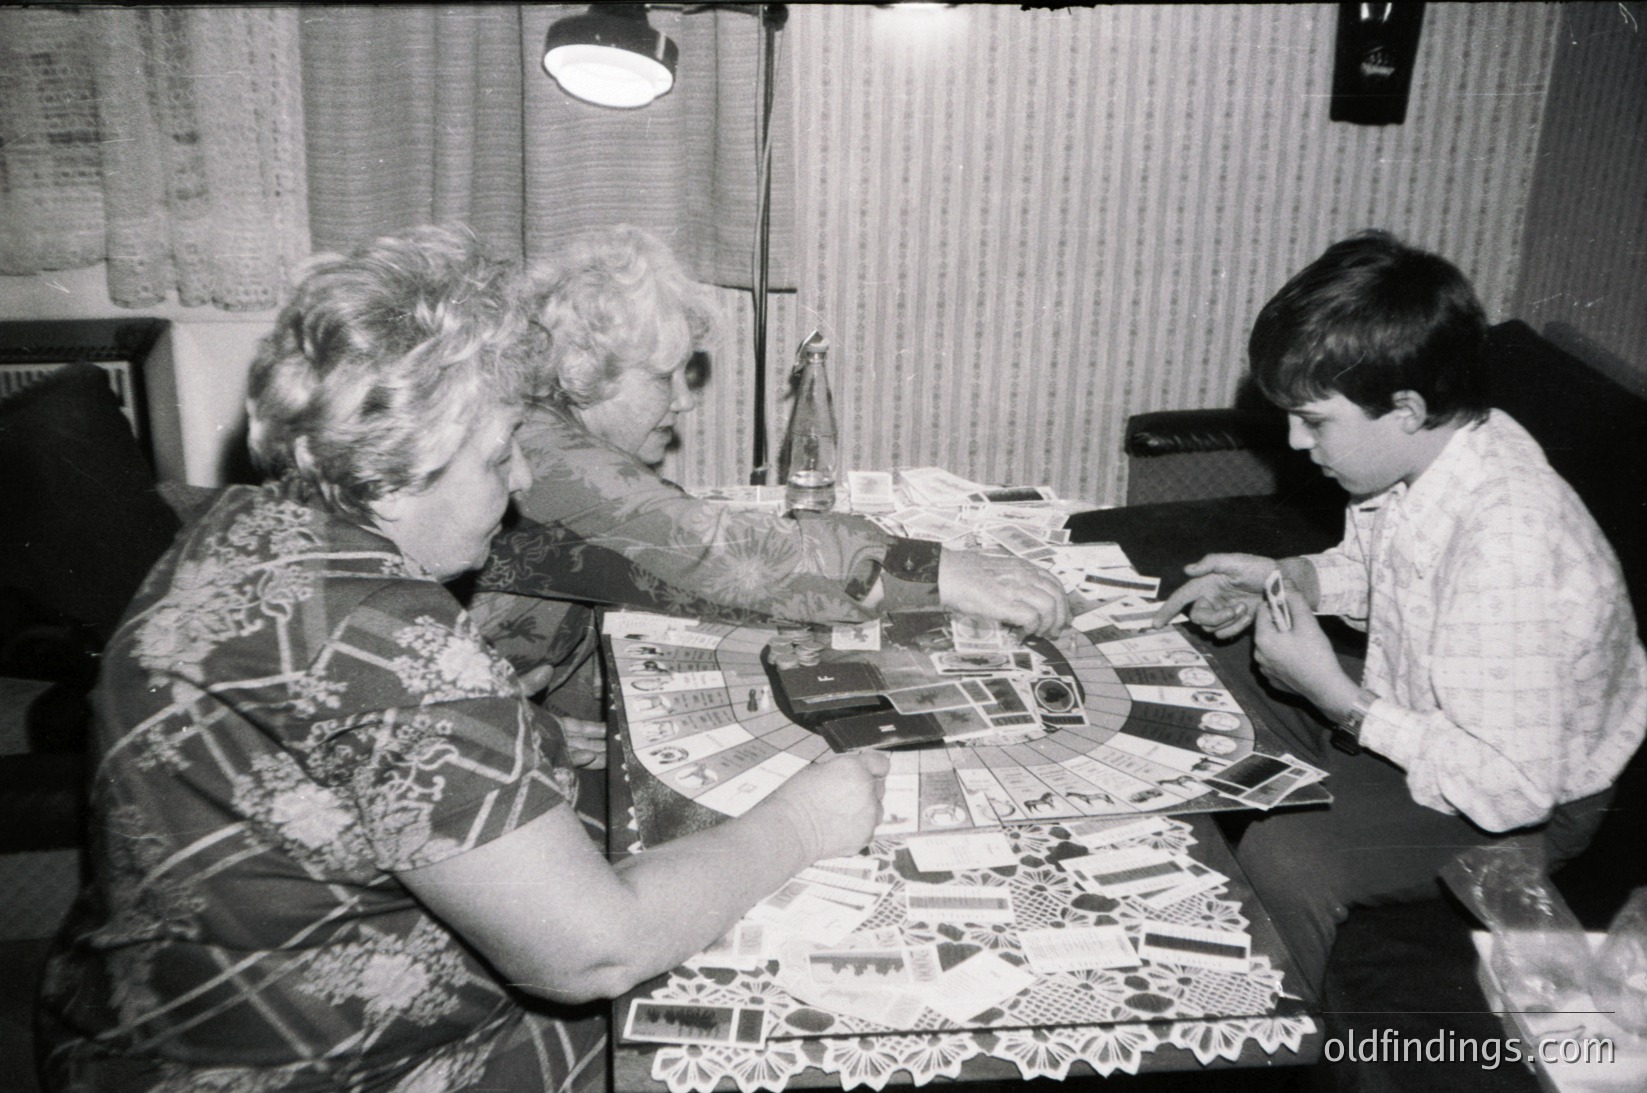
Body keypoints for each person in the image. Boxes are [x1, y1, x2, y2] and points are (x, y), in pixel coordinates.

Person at [37, 225, 889, 1093]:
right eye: (497, 454)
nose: (523, 478)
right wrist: (802, 823)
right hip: (292, 1067)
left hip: (133, 1018)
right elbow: (592, 953)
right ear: (397, 466)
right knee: (790, 1024)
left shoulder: (240, 527)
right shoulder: (391, 643)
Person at [1153, 230, 1647, 990]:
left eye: (1314, 420)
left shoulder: (1509, 540)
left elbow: (1512, 787)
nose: (1292, 440)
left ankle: (1268, 1038)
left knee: (1288, 855)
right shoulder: (1422, 456)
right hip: (1432, 713)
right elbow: (1381, 570)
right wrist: (1287, 580)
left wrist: (1336, 699)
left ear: (1407, 407)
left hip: (1525, 806)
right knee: (1208, 662)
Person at [470, 224, 1069, 756]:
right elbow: (717, 549)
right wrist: (935, 571)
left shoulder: (550, 428)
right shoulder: (544, 450)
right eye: (662, 378)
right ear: (579, 371)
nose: (685, 399)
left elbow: (657, 541)